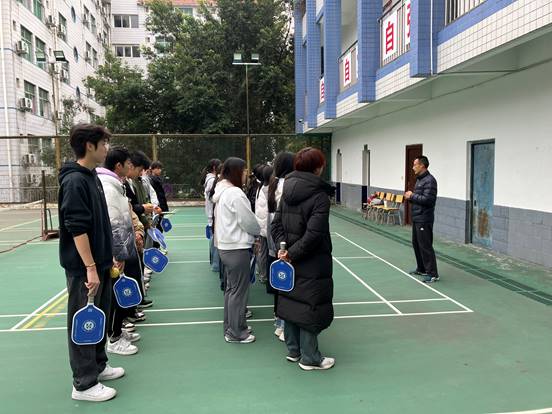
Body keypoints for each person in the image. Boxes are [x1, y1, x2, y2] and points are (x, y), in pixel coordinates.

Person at [58, 123, 123, 402]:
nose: (107, 148)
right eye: (103, 143)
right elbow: (77, 228)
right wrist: (90, 268)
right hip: (84, 268)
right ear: (89, 146)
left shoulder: (92, 175)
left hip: (101, 262)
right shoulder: (74, 181)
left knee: (101, 316)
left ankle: (98, 365)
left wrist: (107, 257)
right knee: (83, 321)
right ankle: (83, 384)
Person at [271, 147, 335, 371]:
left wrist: (284, 250)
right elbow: (314, 234)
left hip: (289, 257)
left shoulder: (287, 190)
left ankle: (293, 350)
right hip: (311, 261)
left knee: (291, 301)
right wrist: (291, 253)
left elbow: (276, 225)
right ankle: (310, 358)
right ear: (317, 167)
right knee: (310, 304)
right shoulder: (319, 196)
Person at [97, 146, 142, 356]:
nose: (130, 167)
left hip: (124, 246)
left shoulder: (116, 184)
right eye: (128, 164)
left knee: (120, 292)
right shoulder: (108, 187)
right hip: (116, 251)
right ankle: (114, 338)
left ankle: (118, 330)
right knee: (116, 294)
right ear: (118, 165)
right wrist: (118, 253)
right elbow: (113, 223)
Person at [212, 157, 261, 344]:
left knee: (232, 290)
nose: (246, 174)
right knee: (239, 292)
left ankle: (232, 326)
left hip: (226, 246)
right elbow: (248, 221)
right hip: (237, 248)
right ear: (236, 172)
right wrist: (258, 232)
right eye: (244, 170)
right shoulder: (235, 193)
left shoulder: (223, 191)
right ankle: (236, 332)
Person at [266, 152, 294, 341]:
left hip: (274, 235)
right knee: (287, 283)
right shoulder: (287, 186)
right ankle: (284, 326)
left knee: (279, 280)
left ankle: (279, 322)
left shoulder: (273, 183)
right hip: (285, 236)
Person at [404, 156, 439, 283]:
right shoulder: (420, 180)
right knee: (417, 244)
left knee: (425, 246)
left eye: (415, 165)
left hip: (424, 218)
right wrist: (411, 197)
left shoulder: (430, 181)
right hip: (417, 217)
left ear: (422, 165)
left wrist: (412, 195)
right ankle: (422, 269)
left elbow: (429, 200)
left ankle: (433, 274)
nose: (413, 167)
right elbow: (420, 198)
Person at [202, 159, 222, 273]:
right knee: (214, 238)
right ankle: (215, 263)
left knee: (213, 237)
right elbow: (211, 198)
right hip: (212, 213)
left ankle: (214, 262)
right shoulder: (211, 180)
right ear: (214, 167)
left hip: (212, 213)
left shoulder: (210, 178)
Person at [254, 164, 273, 284]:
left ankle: (261, 273)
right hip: (266, 227)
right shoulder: (268, 189)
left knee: (262, 252)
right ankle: (264, 275)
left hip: (262, 226)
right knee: (267, 253)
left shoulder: (261, 187)